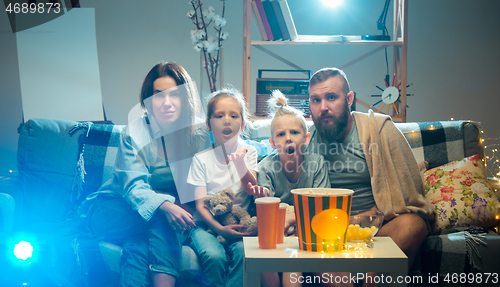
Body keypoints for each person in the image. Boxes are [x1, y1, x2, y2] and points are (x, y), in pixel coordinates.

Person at [79, 62, 209, 287]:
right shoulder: (135, 132)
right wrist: (168, 205)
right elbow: (133, 187)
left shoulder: (199, 133)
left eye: (174, 95)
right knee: (161, 216)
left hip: (146, 221)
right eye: (158, 95)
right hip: (112, 209)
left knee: (138, 246)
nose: (166, 103)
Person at [305, 67, 434, 286]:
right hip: (327, 232)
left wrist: (365, 218)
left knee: (412, 226)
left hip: (376, 226)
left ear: (349, 99)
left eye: (331, 97)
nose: (323, 107)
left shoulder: (379, 130)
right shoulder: (306, 139)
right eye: (315, 100)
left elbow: (407, 193)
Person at [248, 90, 331, 287]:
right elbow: (265, 209)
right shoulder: (267, 167)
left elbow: (323, 204)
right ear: (272, 143)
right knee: (266, 257)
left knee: (293, 256)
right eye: (281, 134)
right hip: (276, 230)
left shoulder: (317, 162)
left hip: (308, 229)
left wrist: (292, 217)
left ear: (307, 138)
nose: (288, 138)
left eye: (294, 132)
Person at [187, 87, 263, 287]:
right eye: (219, 116)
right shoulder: (200, 159)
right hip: (206, 225)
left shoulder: (249, 151)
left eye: (233, 115)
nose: (227, 120)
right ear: (209, 124)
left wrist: (240, 164)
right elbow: (200, 205)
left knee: (244, 253)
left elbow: (251, 189)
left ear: (243, 124)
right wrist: (220, 228)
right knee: (214, 256)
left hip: (239, 221)